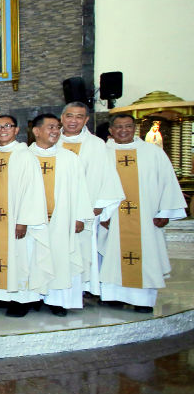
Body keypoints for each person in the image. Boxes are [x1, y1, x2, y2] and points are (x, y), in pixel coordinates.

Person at [97, 114, 186, 312]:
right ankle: (112, 297)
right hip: (113, 218)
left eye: (128, 126)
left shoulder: (152, 152)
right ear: (111, 130)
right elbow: (95, 185)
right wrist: (102, 214)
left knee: (146, 255)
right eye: (118, 127)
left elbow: (167, 182)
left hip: (146, 217)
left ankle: (143, 300)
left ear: (135, 128)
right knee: (111, 255)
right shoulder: (102, 152)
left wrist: (165, 211)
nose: (123, 130)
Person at [28, 114, 92, 316]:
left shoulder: (69, 158)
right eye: (50, 127)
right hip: (32, 222)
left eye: (57, 127)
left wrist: (80, 216)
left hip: (61, 220)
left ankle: (57, 301)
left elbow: (80, 189)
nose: (55, 131)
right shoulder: (24, 156)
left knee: (60, 258)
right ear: (36, 131)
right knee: (31, 259)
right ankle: (33, 298)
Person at [58, 101, 124, 295]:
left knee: (83, 252)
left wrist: (97, 207)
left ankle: (80, 291)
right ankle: (54, 293)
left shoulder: (96, 145)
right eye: (69, 116)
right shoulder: (51, 141)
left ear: (86, 120)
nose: (73, 120)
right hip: (55, 211)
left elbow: (107, 177)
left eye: (79, 116)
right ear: (62, 117)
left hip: (85, 211)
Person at [0, 114, 51, 317]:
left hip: (18, 220)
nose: (3, 129)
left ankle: (22, 299)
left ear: (16, 130)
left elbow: (32, 190)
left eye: (8, 125)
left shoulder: (25, 155)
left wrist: (23, 221)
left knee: (21, 258)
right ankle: (1, 296)